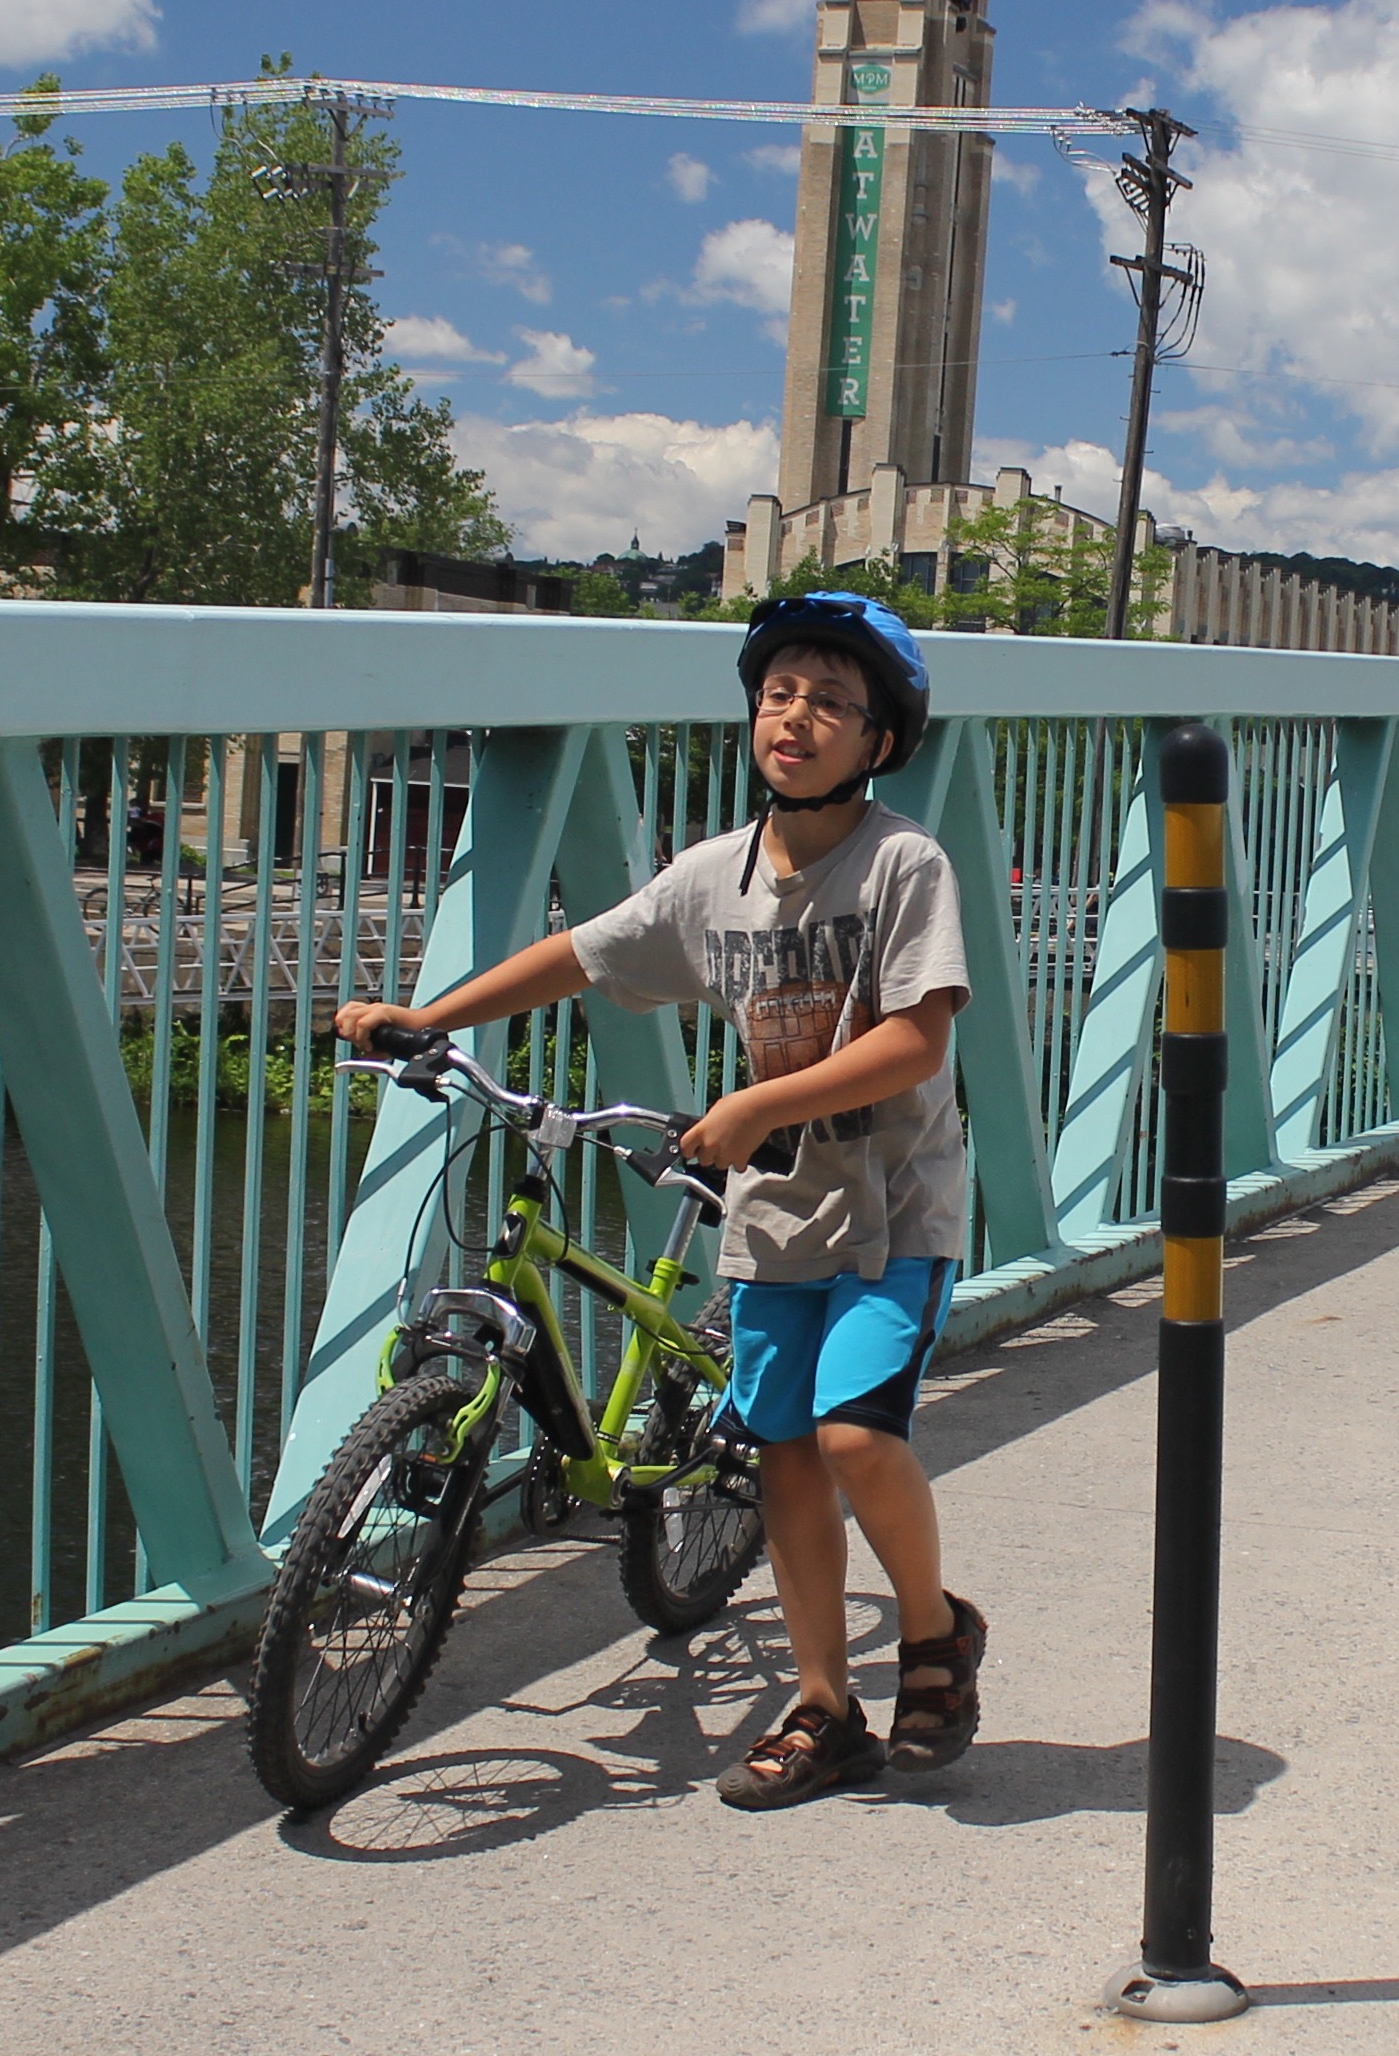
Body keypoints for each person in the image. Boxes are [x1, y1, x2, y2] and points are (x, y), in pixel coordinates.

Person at [334, 592, 979, 1809]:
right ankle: (826, 1707)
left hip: (896, 1208)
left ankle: (937, 1631)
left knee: (852, 1434)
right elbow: (584, 953)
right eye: (780, 692)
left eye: (833, 702)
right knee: (782, 1457)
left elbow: (913, 1042)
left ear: (880, 740)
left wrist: (758, 1108)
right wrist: (431, 1016)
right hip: (778, 1213)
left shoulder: (901, 861)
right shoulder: (713, 877)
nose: (797, 716)